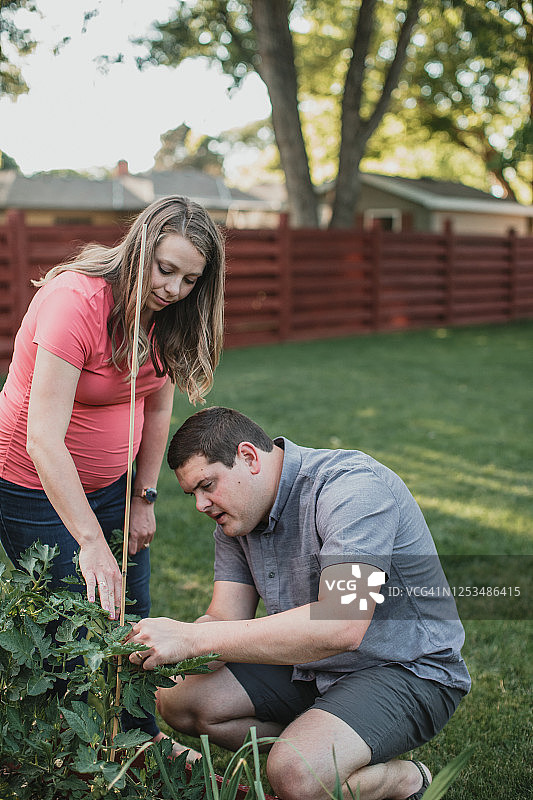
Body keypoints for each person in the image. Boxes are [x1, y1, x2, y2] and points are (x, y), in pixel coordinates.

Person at [126, 406, 471, 800]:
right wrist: (159, 650)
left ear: (249, 457)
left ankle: (405, 780)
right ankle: (321, 742)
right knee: (180, 698)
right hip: (311, 666)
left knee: (295, 776)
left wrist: (193, 639)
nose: (201, 505)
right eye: (193, 494)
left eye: (207, 485)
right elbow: (224, 617)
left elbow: (340, 622)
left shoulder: (352, 489)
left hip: (404, 669)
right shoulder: (236, 518)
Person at [0, 196, 225, 749]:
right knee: (72, 627)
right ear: (139, 248)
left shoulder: (166, 316)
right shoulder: (75, 304)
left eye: (190, 280)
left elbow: (157, 408)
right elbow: (42, 438)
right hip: (33, 484)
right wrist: (91, 540)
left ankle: (137, 743)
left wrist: (142, 497)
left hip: (113, 488)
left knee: (131, 614)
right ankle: (74, 753)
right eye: (165, 269)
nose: (173, 289)